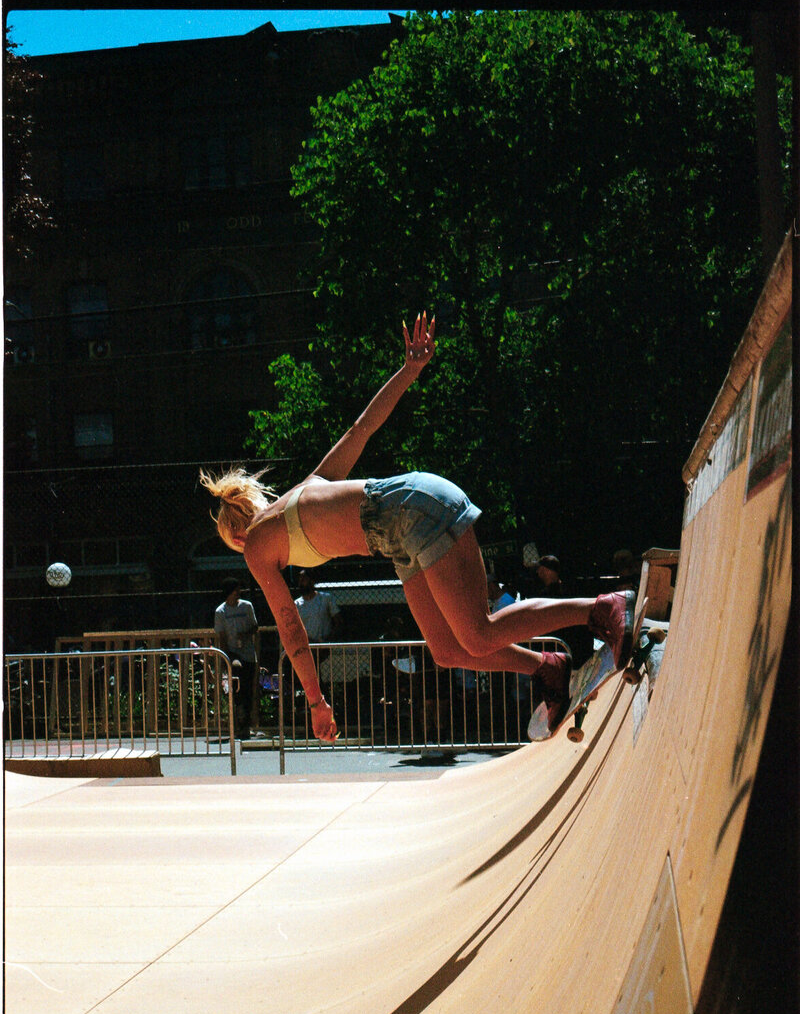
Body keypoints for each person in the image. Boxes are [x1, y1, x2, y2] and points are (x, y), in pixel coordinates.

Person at [200, 313, 635, 744]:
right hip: (399, 536)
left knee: (478, 632)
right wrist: (409, 370)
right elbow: (362, 428)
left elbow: (290, 627)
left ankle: (601, 608)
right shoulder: (306, 489)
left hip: (412, 510)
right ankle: (548, 668)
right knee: (447, 650)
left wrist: (316, 702)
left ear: (237, 537)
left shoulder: (256, 542)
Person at [214, 577, 258, 738]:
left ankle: (246, 724)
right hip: (233, 653)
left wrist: (245, 634)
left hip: (247, 652)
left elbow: (255, 626)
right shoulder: (221, 612)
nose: (238, 593)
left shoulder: (246, 607)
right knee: (237, 686)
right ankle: (238, 722)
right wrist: (226, 658)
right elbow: (222, 637)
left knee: (247, 690)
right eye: (236, 590)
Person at [294, 569, 343, 642]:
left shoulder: (326, 598)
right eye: (300, 580)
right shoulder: (296, 604)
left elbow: (338, 621)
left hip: (325, 645)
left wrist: (328, 640)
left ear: (312, 582)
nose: (301, 582)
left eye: (304, 579)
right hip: (307, 647)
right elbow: (295, 629)